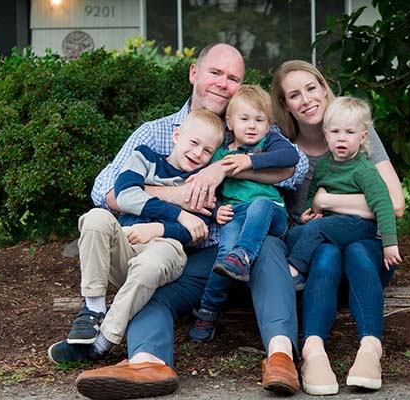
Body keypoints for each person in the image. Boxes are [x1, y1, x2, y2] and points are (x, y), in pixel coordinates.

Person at [61, 44, 309, 399]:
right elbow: (104, 191)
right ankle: (148, 363)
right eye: (215, 73)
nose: (223, 84)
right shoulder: (159, 132)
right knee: (153, 289)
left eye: (233, 78)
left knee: (266, 244)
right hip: (188, 255)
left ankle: (282, 357)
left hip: (243, 253)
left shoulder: (247, 127)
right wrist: (179, 196)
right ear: (194, 73)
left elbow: (295, 167)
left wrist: (223, 167)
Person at [47, 109, 225, 364]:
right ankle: (93, 309)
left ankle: (102, 342)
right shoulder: (145, 157)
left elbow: (196, 231)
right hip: (126, 242)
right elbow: (124, 195)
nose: (198, 153)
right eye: (194, 143)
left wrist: (157, 229)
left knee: (150, 263)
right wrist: (179, 213)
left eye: (207, 151)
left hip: (166, 249)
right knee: (95, 218)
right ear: (176, 136)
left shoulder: (202, 184)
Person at [271, 60, 405, 396]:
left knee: (358, 251)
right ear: (285, 105)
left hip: (367, 257)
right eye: (294, 95)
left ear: (323, 87)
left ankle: (370, 350)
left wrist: (328, 202)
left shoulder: (357, 130)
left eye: (311, 88)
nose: (306, 99)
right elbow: (296, 213)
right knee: (329, 253)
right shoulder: (285, 150)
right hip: (319, 262)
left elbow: (394, 204)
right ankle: (312, 351)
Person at [188, 85, 302, 343]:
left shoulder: (268, 143)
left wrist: (249, 161)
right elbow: (210, 191)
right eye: (244, 119)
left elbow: (290, 155)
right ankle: (208, 309)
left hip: (271, 213)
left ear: (268, 124)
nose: (252, 126)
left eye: (260, 120)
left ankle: (244, 255)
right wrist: (217, 209)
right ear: (229, 122)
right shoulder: (219, 154)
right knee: (224, 255)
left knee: (259, 204)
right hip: (235, 213)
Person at [286, 96, 402, 276]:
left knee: (317, 228)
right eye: (335, 132)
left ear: (363, 137)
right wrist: (308, 213)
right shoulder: (323, 165)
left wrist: (389, 244)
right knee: (295, 234)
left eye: (349, 132)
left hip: (358, 224)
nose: (341, 138)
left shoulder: (363, 169)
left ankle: (294, 271)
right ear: (326, 134)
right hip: (333, 223)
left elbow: (384, 204)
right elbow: (312, 195)